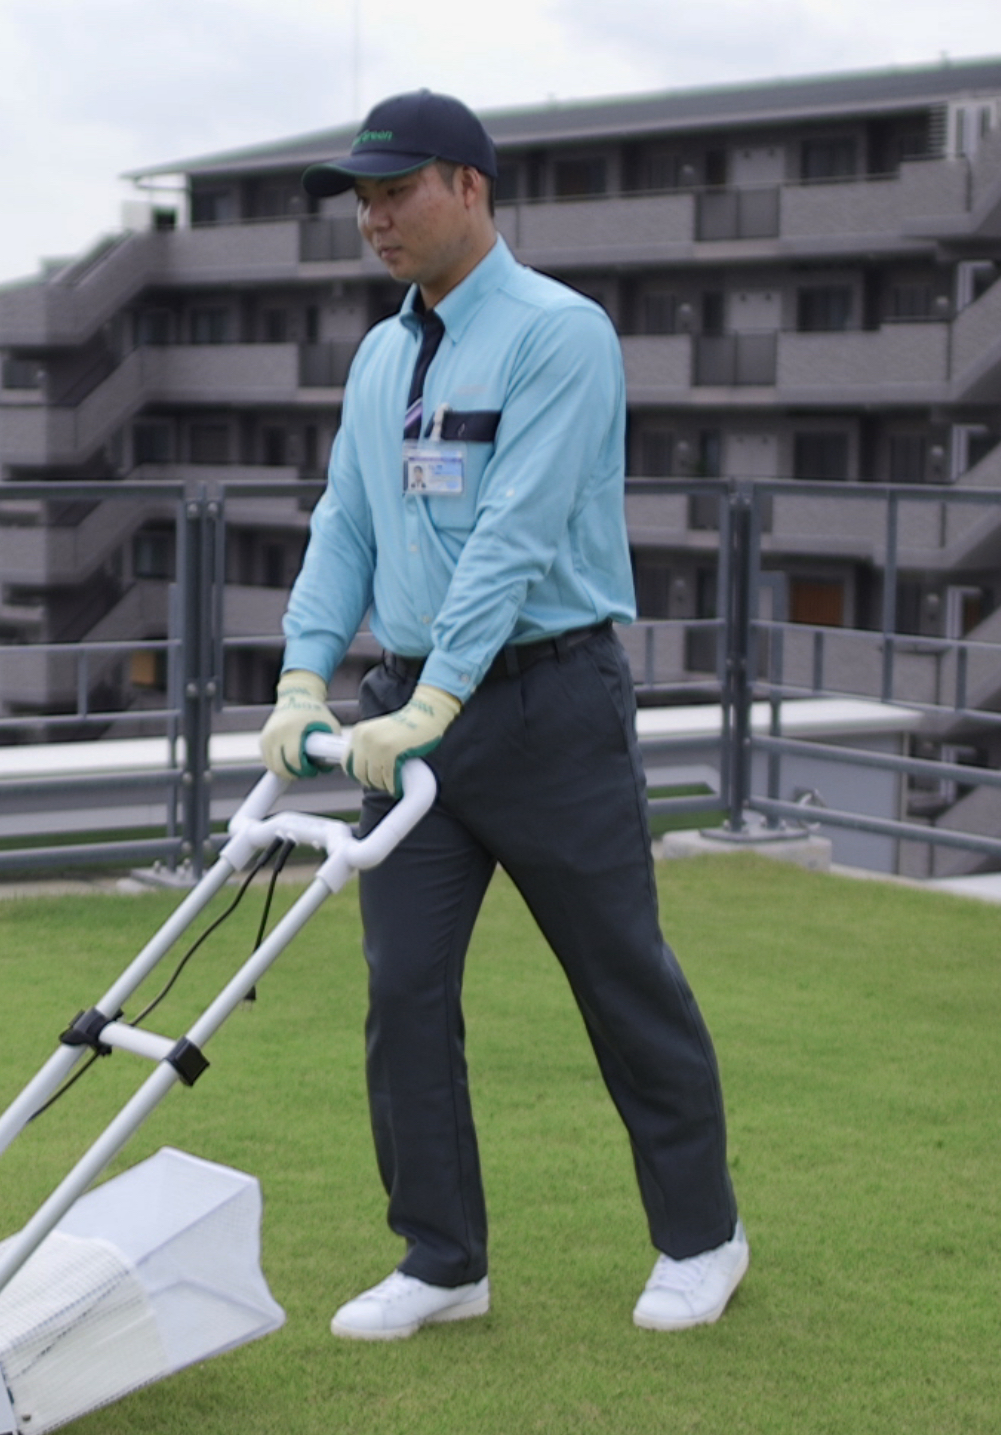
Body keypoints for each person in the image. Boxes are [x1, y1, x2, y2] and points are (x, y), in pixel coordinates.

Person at [259, 90, 748, 1340]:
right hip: (406, 720)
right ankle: (441, 1260)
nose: (374, 219)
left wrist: (436, 698)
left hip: (544, 708)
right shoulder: (382, 353)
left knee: (621, 976)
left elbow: (515, 537)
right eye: (361, 199)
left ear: (469, 188)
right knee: (403, 989)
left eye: (396, 191)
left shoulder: (557, 335)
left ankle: (703, 1236)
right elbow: (349, 523)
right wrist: (303, 674)